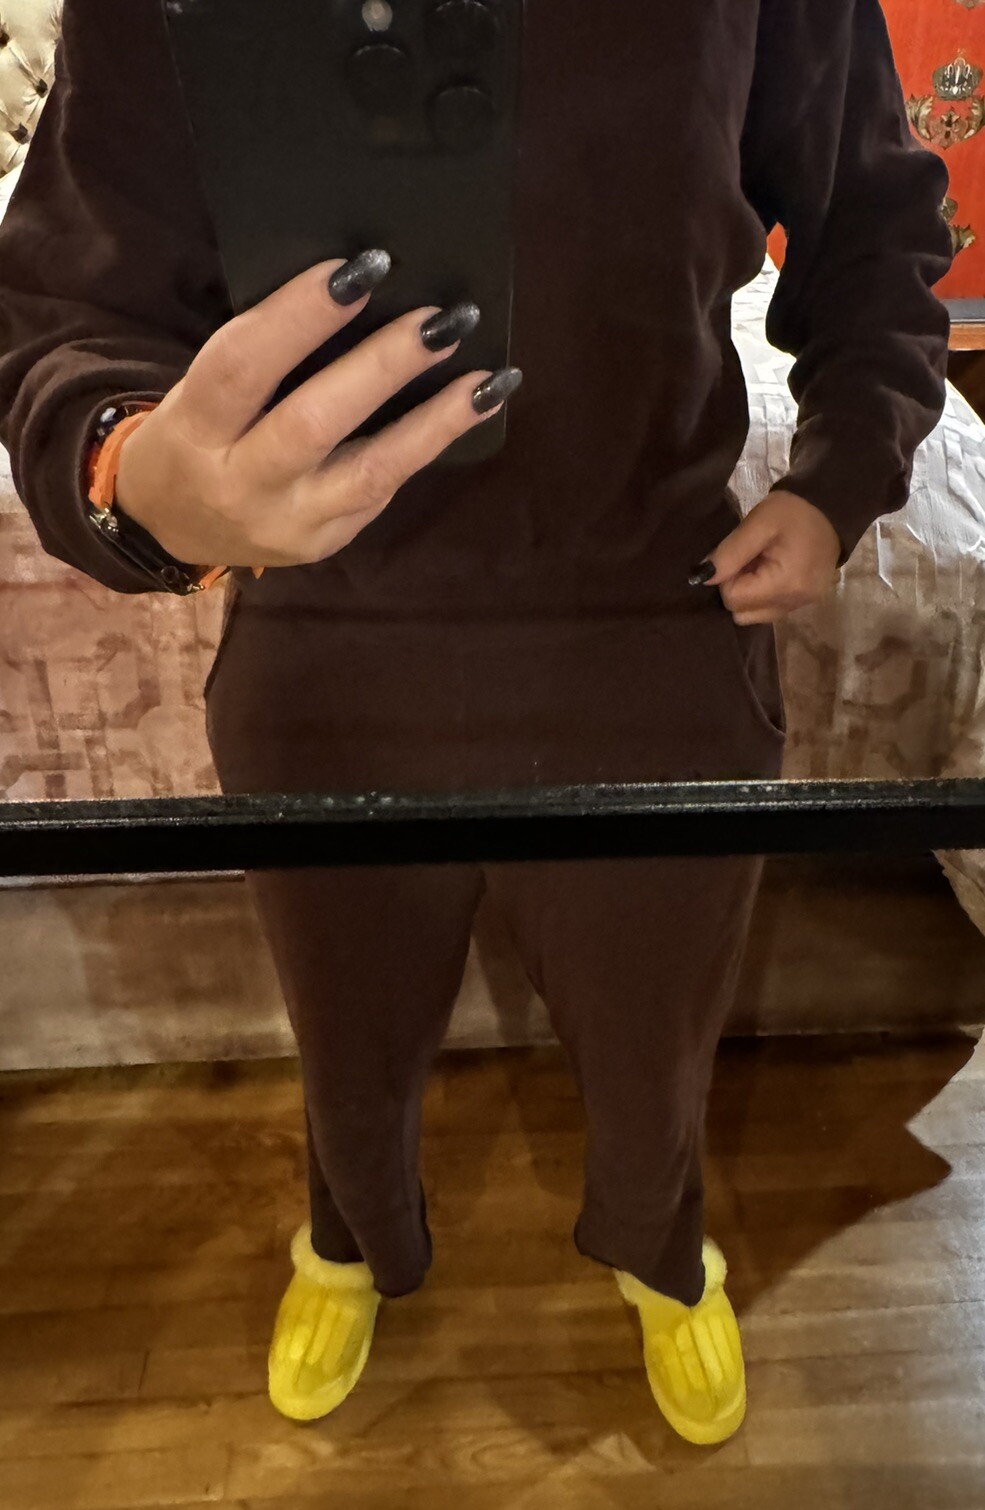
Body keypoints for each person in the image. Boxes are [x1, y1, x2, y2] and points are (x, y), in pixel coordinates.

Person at [0, 0, 951, 1445]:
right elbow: (68, 306)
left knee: (655, 1041)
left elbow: (874, 225)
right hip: (327, 643)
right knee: (346, 1032)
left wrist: (839, 478)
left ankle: (661, 1250)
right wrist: (131, 476)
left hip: (651, 622)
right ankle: (347, 1236)